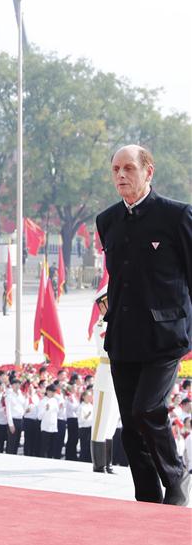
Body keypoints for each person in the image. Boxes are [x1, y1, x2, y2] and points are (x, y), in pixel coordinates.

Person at [95, 144, 192, 506]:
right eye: (116, 169)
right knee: (131, 427)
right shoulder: (107, 221)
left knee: (147, 409)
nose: (121, 175)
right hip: (122, 336)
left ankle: (176, 477)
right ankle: (147, 499)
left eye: (129, 168)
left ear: (148, 171)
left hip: (166, 336)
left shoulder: (177, 216)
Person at [90, 289, 119, 473]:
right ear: (102, 305)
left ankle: (108, 462)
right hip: (105, 375)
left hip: (116, 374)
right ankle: (98, 463)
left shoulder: (115, 322)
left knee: (111, 419)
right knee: (101, 419)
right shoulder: (101, 325)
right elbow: (109, 346)